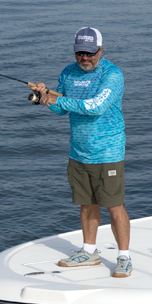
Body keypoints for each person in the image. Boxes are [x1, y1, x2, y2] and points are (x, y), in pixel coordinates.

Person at [30, 27, 133, 278]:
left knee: (114, 205)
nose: (84, 58)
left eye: (89, 53)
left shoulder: (112, 74)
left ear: (101, 50)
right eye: (79, 53)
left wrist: (56, 99)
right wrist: (43, 96)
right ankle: (89, 252)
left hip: (108, 151)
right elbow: (60, 109)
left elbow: (94, 107)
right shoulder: (68, 72)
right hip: (79, 151)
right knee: (86, 204)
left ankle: (124, 257)